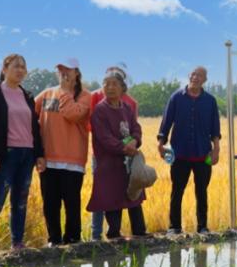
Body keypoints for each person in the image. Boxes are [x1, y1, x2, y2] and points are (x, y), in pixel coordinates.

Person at [0, 54, 45, 250]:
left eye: (23, 67)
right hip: (5, 155)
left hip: (27, 155)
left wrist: (39, 154)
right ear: (4, 69)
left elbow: (35, 127)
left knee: (20, 201)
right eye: (16, 66)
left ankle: (17, 243)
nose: (20, 71)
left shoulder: (27, 95)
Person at [157, 66, 221, 234]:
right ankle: (174, 227)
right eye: (193, 74)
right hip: (179, 153)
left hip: (203, 153)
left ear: (205, 80)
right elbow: (166, 122)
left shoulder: (210, 101)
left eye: (200, 75)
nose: (195, 77)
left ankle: (202, 227)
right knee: (177, 191)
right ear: (188, 76)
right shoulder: (176, 98)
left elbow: (215, 128)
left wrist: (216, 149)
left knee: (202, 192)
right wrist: (161, 143)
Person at [35, 58, 91, 245]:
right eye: (61, 70)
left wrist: (66, 92)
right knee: (50, 204)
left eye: (68, 70)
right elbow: (29, 115)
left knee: (71, 204)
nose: (64, 73)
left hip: (73, 161)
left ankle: (73, 240)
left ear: (77, 73)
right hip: (48, 159)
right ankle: (54, 240)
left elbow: (73, 114)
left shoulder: (84, 96)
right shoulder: (46, 94)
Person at [88, 71, 147, 238]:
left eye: (114, 84)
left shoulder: (126, 108)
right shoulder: (100, 111)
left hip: (128, 161)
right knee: (112, 199)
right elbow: (104, 137)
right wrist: (124, 148)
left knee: (134, 195)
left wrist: (135, 141)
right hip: (109, 163)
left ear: (123, 88)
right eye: (106, 84)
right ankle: (114, 235)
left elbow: (136, 128)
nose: (110, 87)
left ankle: (140, 233)